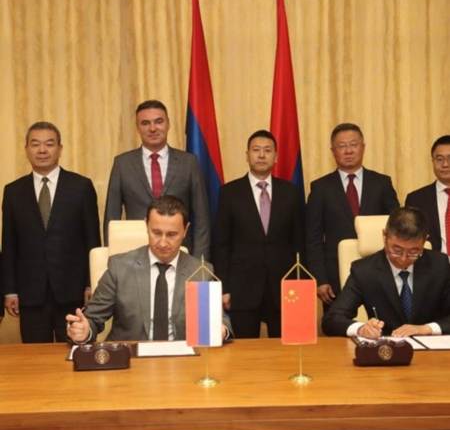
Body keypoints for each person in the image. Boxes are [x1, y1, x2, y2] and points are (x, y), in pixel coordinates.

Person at [67, 195, 232, 342]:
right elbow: (92, 318)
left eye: (172, 234)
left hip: (182, 359)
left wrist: (221, 330)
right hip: (130, 358)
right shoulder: (119, 268)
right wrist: (84, 329)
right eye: (156, 233)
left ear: (185, 230)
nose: (163, 242)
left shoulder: (200, 272)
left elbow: (220, 321)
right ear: (146, 225)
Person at [2, 122, 101, 343]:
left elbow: (92, 240)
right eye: (35, 144)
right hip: (30, 293)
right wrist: (10, 291)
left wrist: (91, 283)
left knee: (76, 351)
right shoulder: (13, 192)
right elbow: (9, 245)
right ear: (26, 149)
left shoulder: (81, 187)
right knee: (35, 357)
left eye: (49, 144)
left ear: (60, 148)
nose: (42, 150)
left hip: (73, 291)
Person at [212, 130, 302, 338]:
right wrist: (224, 287)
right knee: (243, 350)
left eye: (267, 150)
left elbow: (299, 242)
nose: (261, 155)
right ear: (247, 155)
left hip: (284, 288)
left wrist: (300, 283)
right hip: (242, 288)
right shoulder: (229, 192)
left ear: (276, 156)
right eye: (256, 150)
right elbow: (221, 244)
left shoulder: (291, 192)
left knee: (286, 349)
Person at [306, 123, 399, 308]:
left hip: (379, 271)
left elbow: (396, 227)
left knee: (379, 322)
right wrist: (320, 278)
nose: (348, 151)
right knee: (339, 322)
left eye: (353, 144)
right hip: (335, 275)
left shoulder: (382, 183)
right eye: (342, 146)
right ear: (333, 151)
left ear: (363, 147)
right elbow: (312, 238)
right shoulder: (320, 188)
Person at [103, 99, 210, 258]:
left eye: (158, 122)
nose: (152, 128)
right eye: (145, 123)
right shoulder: (122, 164)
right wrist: (114, 261)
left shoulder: (189, 163)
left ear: (168, 124)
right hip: (136, 256)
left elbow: (202, 218)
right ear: (138, 128)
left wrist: (199, 262)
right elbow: (111, 218)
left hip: (181, 255)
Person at [322, 207, 450, 338]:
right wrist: (361, 329)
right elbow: (332, 319)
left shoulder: (440, 265)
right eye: (397, 250)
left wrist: (427, 328)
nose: (403, 259)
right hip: (385, 347)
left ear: (424, 241)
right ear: (384, 236)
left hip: (431, 347)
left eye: (413, 252)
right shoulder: (364, 271)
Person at [406, 135, 450, 254]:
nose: (445, 164)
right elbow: (410, 239)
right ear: (432, 161)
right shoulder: (416, 200)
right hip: (433, 263)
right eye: (439, 159)